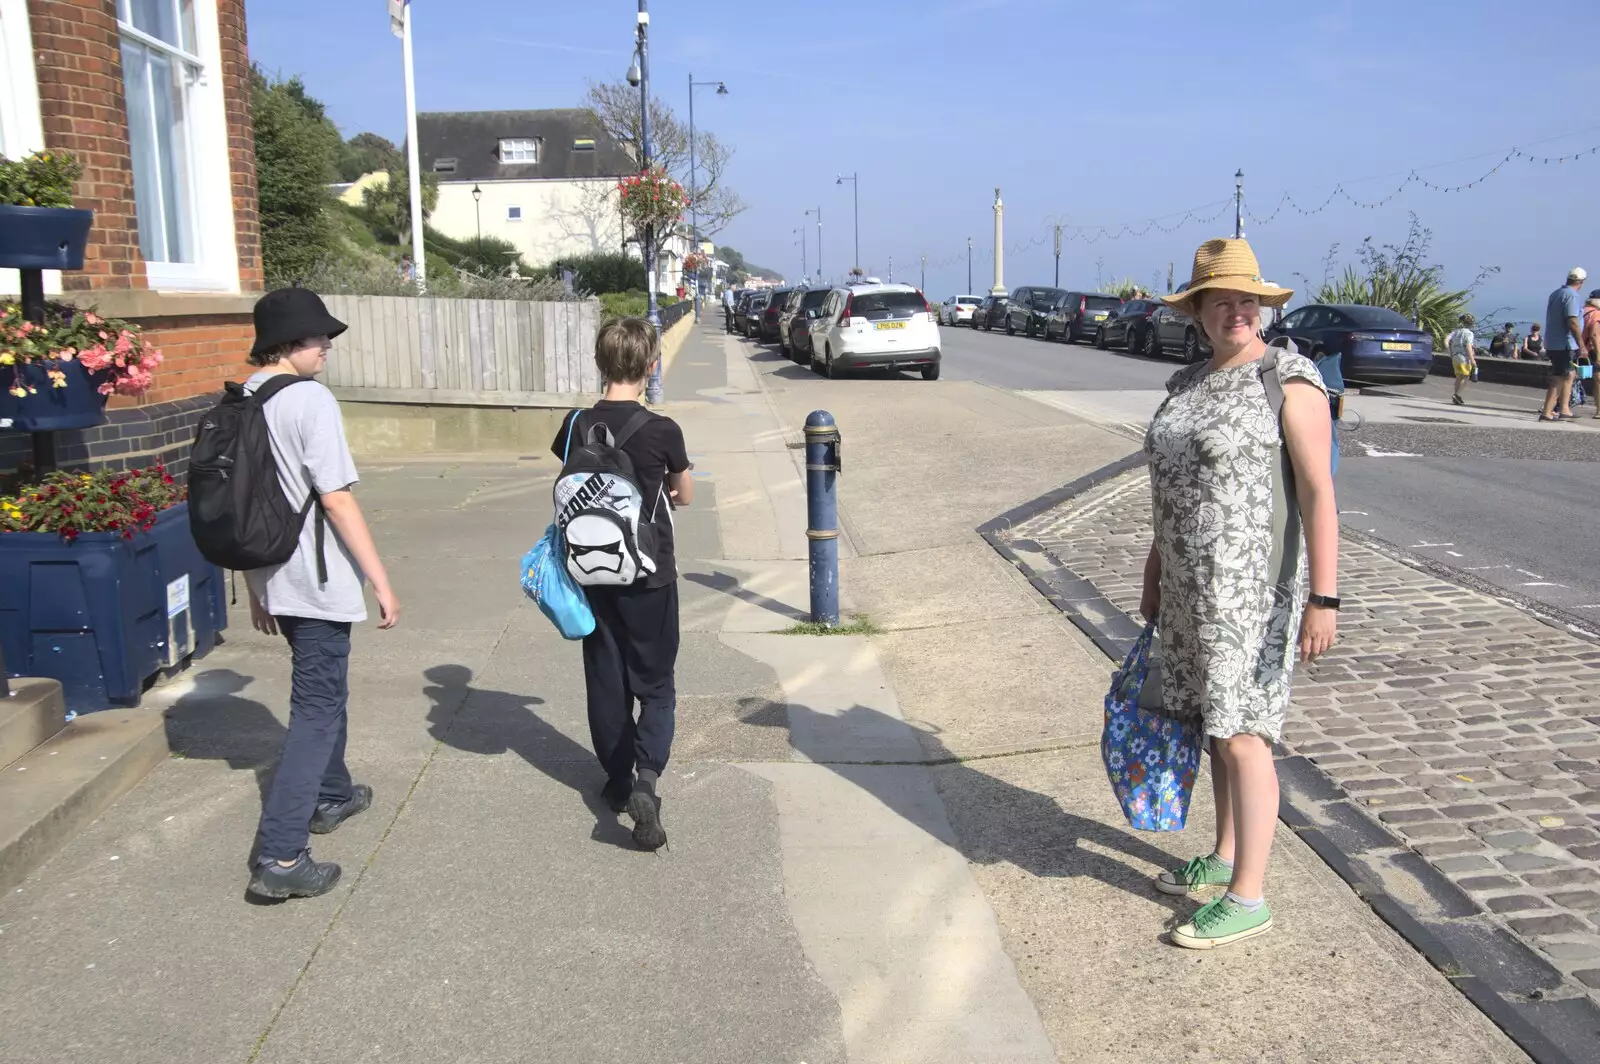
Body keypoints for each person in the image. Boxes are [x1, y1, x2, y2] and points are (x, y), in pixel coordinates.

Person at [1143, 238, 1339, 949]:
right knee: (1210, 725)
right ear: (1195, 309)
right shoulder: (1187, 384)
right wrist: (1155, 568)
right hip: (1191, 589)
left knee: (1243, 733)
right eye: (1221, 297)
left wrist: (1326, 597)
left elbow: (1319, 492)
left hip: (1253, 595)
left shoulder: (1289, 378)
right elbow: (1171, 490)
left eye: (1248, 297)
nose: (1238, 309)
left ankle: (1248, 895)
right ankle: (1225, 855)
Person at [244, 289, 401, 900]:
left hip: (274, 577)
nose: (326, 348)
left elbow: (246, 500)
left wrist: (256, 588)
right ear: (287, 343)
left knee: (322, 692)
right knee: (314, 708)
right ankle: (281, 857)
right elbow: (335, 498)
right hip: (314, 581)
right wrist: (381, 581)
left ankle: (332, 795)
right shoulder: (309, 400)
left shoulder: (245, 398)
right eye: (317, 339)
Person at [550, 319, 693, 851]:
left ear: (600, 362)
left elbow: (574, 477)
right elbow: (685, 494)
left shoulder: (574, 425)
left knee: (606, 680)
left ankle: (616, 781)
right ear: (651, 365)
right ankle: (647, 784)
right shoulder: (663, 430)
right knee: (655, 684)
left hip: (590, 572)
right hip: (651, 575)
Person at [1541, 267, 1587, 421]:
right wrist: (1582, 344)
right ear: (1581, 281)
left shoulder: (1556, 293)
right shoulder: (1572, 295)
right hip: (1565, 343)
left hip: (1553, 341)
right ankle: (1547, 411)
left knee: (1570, 374)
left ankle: (1565, 408)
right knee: (1560, 376)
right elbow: (1572, 321)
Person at [1444, 314, 1478, 406]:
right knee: (1466, 376)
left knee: (1459, 377)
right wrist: (1472, 360)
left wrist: (1450, 352)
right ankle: (1457, 394)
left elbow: (1446, 340)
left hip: (1455, 356)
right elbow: (1467, 346)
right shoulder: (1469, 333)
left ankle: (1456, 397)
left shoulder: (1455, 332)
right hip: (1464, 357)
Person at [1585, 291, 1600, 419]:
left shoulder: (1581, 311)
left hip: (1578, 349)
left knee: (1568, 378)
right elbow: (1594, 335)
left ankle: (1552, 406)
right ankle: (1599, 411)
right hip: (1592, 351)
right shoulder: (1596, 314)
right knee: (1598, 380)